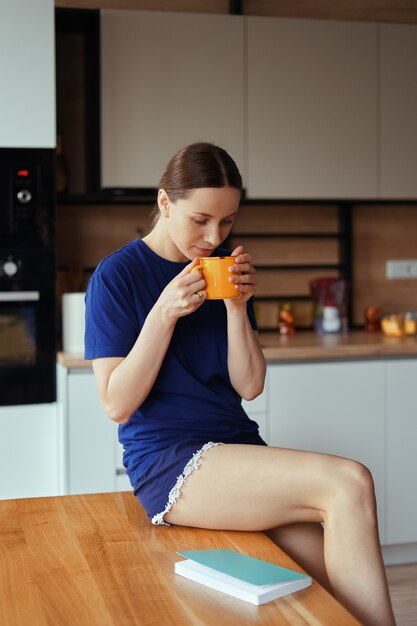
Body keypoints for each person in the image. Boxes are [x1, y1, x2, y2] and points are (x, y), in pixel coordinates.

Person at [85, 142, 396, 626]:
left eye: (227, 221)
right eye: (200, 219)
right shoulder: (117, 276)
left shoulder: (224, 265)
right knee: (349, 481)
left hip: (238, 449)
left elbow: (250, 386)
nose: (214, 236)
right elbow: (116, 404)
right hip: (169, 460)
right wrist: (164, 314)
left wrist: (235, 307)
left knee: (334, 581)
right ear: (165, 203)